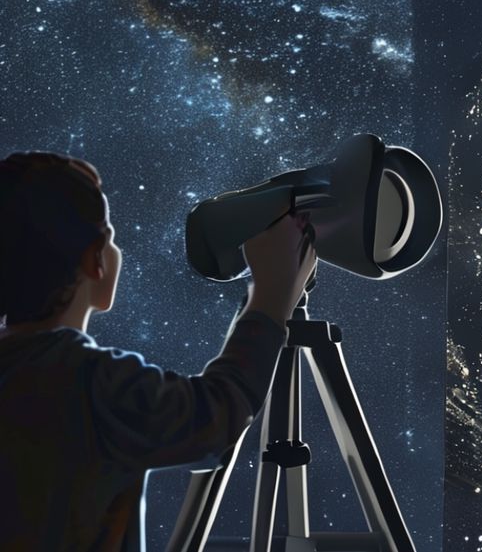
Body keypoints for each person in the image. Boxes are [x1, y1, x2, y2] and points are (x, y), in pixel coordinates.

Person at [0, 151, 317, 551]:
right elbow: (217, 413)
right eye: (110, 237)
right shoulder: (94, 383)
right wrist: (272, 293)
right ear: (95, 259)